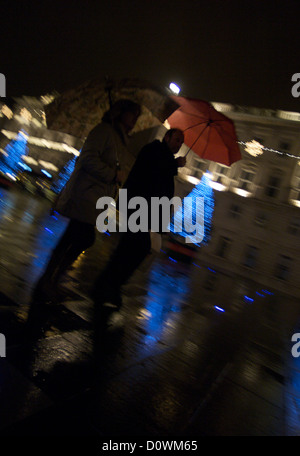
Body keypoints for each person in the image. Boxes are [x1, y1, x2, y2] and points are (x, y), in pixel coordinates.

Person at [32, 99, 141, 302]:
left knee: (76, 237)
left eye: (137, 116)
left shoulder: (120, 139)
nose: (135, 119)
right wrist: (113, 174)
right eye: (132, 114)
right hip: (85, 193)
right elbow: (87, 159)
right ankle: (48, 280)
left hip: (96, 197)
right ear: (121, 113)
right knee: (80, 237)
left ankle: (51, 280)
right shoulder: (104, 131)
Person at [91, 128, 186, 308]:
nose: (179, 145)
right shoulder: (154, 150)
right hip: (138, 209)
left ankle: (107, 286)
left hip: (145, 212)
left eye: (181, 142)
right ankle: (108, 287)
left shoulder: (163, 156)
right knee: (135, 249)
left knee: (131, 249)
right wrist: (176, 165)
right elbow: (155, 173)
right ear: (166, 137)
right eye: (177, 140)